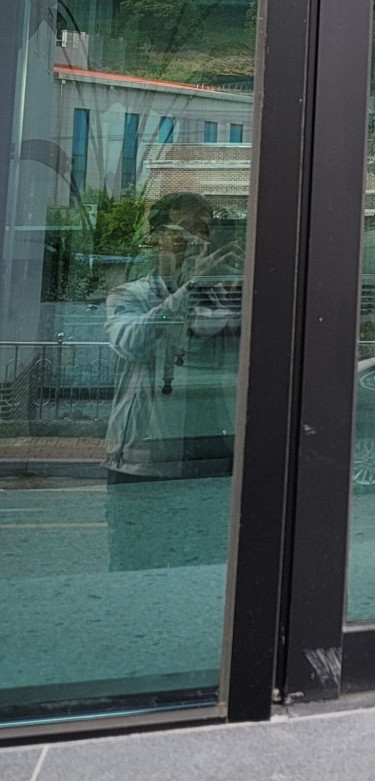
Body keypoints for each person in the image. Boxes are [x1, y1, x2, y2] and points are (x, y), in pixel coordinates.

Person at [103, 193, 240, 568]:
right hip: (143, 458)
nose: (194, 243)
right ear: (157, 238)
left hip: (208, 452)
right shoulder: (129, 294)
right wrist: (191, 287)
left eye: (203, 233)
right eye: (183, 233)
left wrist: (240, 286)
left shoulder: (221, 297)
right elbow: (130, 342)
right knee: (137, 564)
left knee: (206, 569)